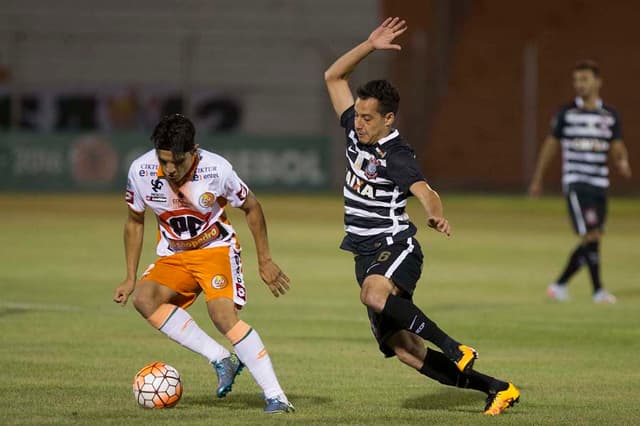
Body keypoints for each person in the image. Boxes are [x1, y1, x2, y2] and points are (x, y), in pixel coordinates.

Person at [324, 17, 520, 416]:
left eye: (366, 118)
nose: (357, 123)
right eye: (357, 116)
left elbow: (426, 192)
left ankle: (454, 347)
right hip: (365, 254)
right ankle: (498, 388)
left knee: (373, 294)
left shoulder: (396, 155)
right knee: (406, 351)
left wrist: (436, 216)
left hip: (395, 245)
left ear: (388, 119)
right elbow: (333, 76)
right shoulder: (354, 131)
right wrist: (369, 44)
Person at [113, 114, 294, 414]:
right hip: (173, 254)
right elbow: (134, 221)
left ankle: (276, 397)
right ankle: (220, 358)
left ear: (194, 151)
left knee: (221, 315)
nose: (170, 169)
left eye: (178, 162)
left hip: (215, 249)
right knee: (144, 299)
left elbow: (252, 207)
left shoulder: (216, 168)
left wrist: (265, 260)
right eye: (164, 161)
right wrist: (130, 277)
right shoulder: (141, 170)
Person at [529, 60, 632, 304]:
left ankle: (559, 285)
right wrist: (538, 178)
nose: (579, 85)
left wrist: (623, 161)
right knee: (591, 235)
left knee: (593, 237)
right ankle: (598, 292)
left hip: (599, 183)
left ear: (597, 82)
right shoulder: (567, 114)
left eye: (584, 79)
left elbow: (617, 147)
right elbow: (550, 146)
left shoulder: (609, 115)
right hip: (577, 182)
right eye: (576, 80)